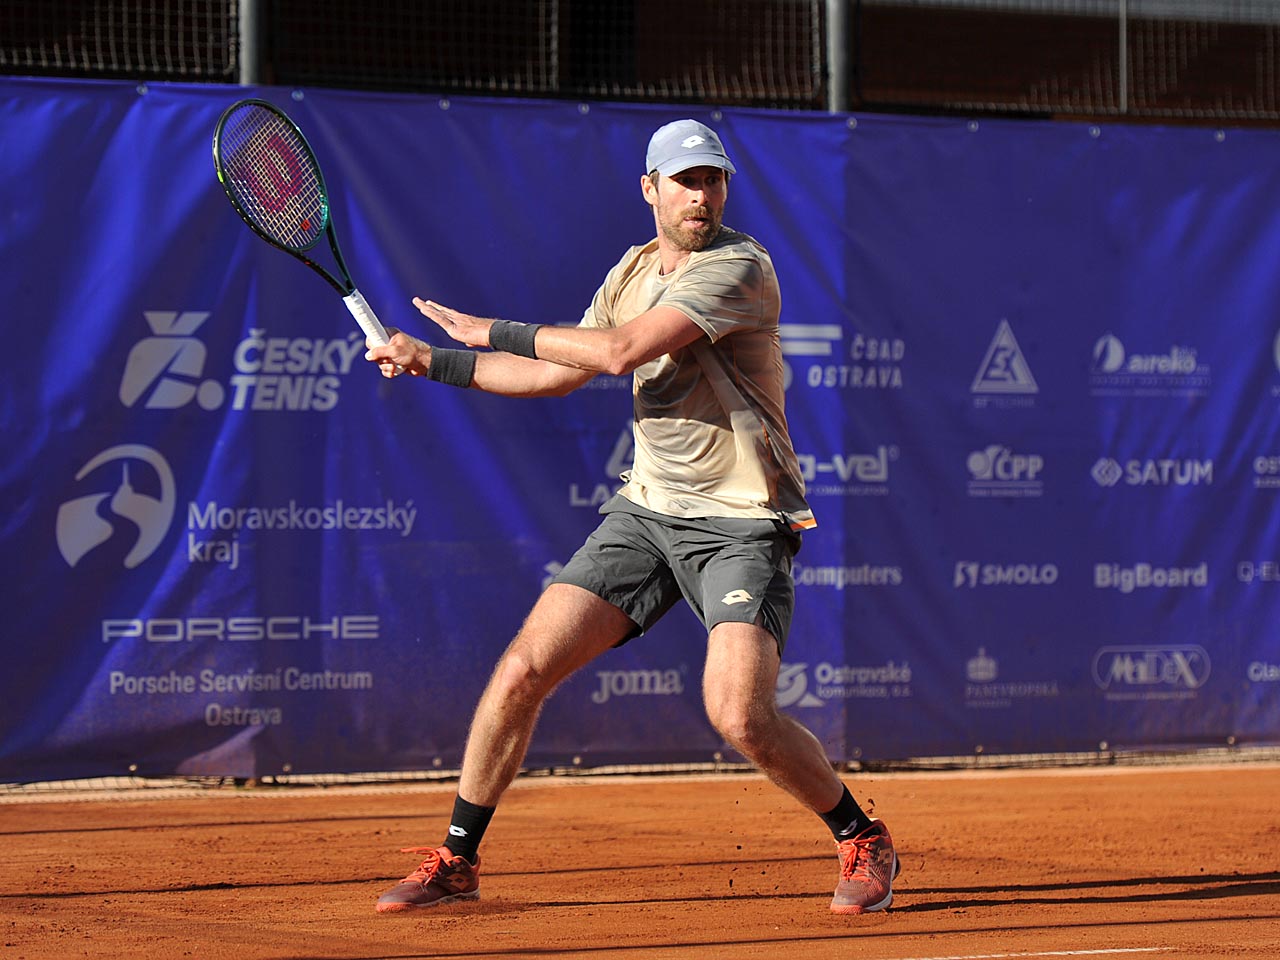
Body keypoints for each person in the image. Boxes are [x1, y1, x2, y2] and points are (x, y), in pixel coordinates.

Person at [364, 119, 900, 916]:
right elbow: (555, 374)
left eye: (713, 180)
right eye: (685, 181)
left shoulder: (739, 267)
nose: (701, 195)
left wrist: (486, 328)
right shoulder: (633, 269)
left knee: (739, 715)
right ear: (650, 189)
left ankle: (861, 835)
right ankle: (456, 859)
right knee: (522, 669)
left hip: (742, 521)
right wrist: (432, 360)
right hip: (646, 513)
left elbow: (618, 352)